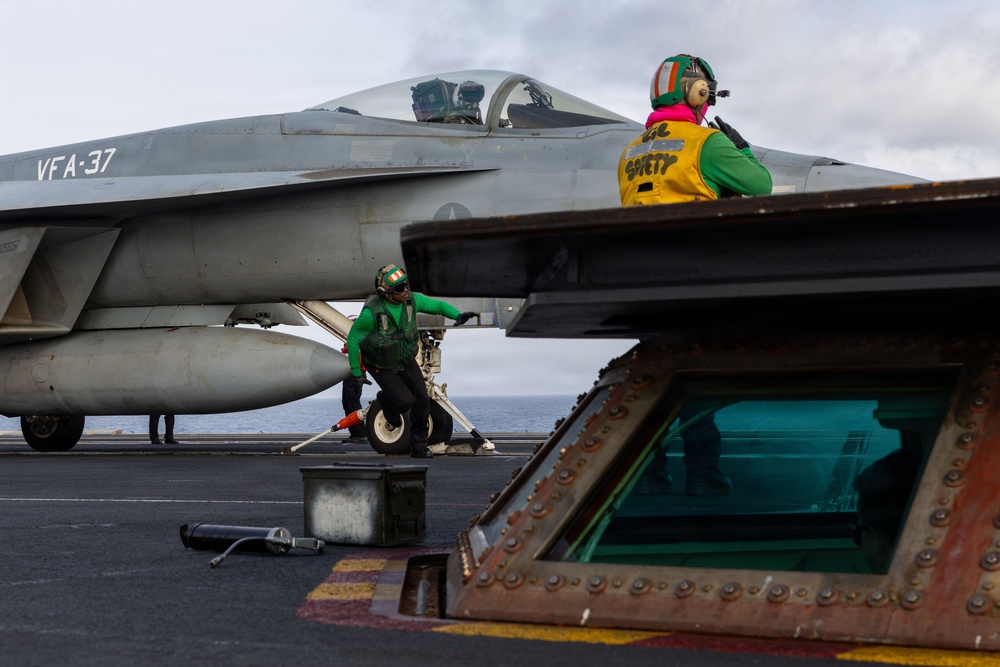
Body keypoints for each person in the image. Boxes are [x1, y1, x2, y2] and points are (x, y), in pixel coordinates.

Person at [623, 54, 770, 496]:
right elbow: (760, 184)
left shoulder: (632, 152)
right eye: (706, 89)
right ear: (696, 91)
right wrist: (741, 149)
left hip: (640, 285)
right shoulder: (705, 143)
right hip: (693, 279)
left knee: (656, 378)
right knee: (697, 383)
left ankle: (650, 475)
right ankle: (703, 475)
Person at [345, 264, 476, 458]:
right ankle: (385, 400)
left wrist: (457, 315)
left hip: (405, 359)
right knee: (405, 401)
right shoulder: (371, 313)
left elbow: (437, 306)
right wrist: (357, 373)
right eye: (399, 288)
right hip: (381, 364)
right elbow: (353, 339)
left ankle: (419, 447)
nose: (405, 290)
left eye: (405, 285)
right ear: (386, 292)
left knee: (422, 400)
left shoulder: (411, 301)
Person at [618, 54, 772, 206]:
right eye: (708, 97)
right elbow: (762, 186)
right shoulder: (708, 142)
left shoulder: (628, 152)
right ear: (699, 93)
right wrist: (743, 148)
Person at [340, 316, 370, 444]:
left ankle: (359, 433)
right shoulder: (360, 337)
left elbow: (349, 350)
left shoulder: (357, 338)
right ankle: (356, 433)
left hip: (355, 373)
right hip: (354, 372)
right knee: (349, 402)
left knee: (351, 402)